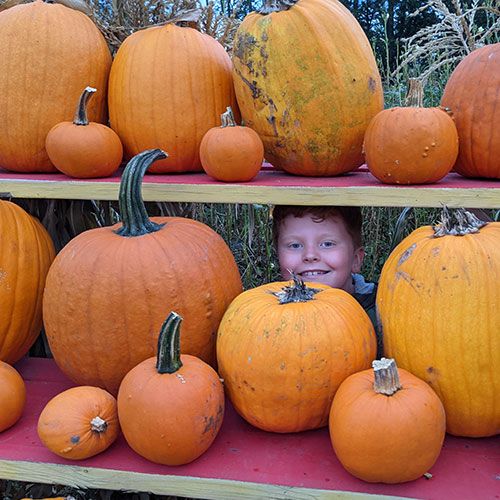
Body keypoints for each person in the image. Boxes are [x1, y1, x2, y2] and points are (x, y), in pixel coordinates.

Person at [271, 204, 381, 355]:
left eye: (327, 244)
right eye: (295, 245)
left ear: (356, 260)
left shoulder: (381, 309)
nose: (310, 255)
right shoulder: (269, 315)